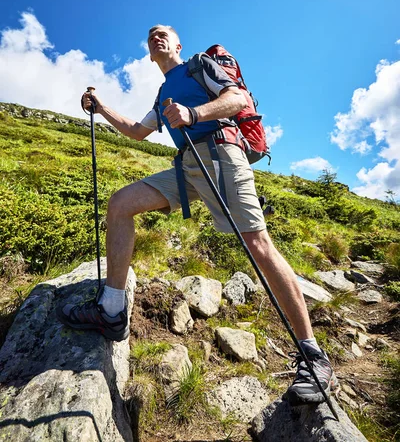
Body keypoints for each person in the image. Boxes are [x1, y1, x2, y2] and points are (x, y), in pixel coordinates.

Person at [57, 24, 337, 405]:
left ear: (176, 44)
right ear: (149, 54)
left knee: (257, 243)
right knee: (121, 203)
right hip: (187, 164)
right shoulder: (161, 94)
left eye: (163, 34)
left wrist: (194, 112)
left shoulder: (198, 65)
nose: (156, 38)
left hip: (222, 153)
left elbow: (236, 99)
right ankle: (111, 310)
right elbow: (137, 133)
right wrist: (101, 106)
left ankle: (313, 355)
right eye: (150, 37)